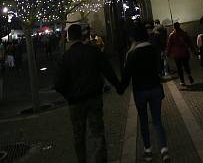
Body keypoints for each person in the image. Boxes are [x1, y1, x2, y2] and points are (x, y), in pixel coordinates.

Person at [55, 24, 122, 163]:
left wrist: (69, 95)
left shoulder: (65, 57)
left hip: (75, 103)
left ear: (69, 38)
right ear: (81, 35)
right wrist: (118, 86)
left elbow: (58, 84)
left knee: (78, 135)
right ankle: (100, 160)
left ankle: (82, 160)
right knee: (97, 132)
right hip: (94, 98)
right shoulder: (93, 51)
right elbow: (107, 70)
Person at [119, 25, 171, 162]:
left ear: (134, 38)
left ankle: (148, 150)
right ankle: (164, 150)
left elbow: (126, 76)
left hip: (140, 91)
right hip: (154, 88)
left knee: (143, 121)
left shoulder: (131, 54)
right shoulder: (153, 50)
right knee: (157, 120)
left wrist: (120, 88)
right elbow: (159, 68)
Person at [165, 22, 195, 86]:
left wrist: (167, 53)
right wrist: (193, 49)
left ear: (174, 27)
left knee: (179, 68)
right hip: (184, 52)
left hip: (176, 54)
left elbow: (169, 45)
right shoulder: (184, 33)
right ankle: (189, 76)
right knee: (186, 65)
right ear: (179, 26)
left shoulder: (172, 35)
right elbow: (189, 42)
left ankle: (182, 81)